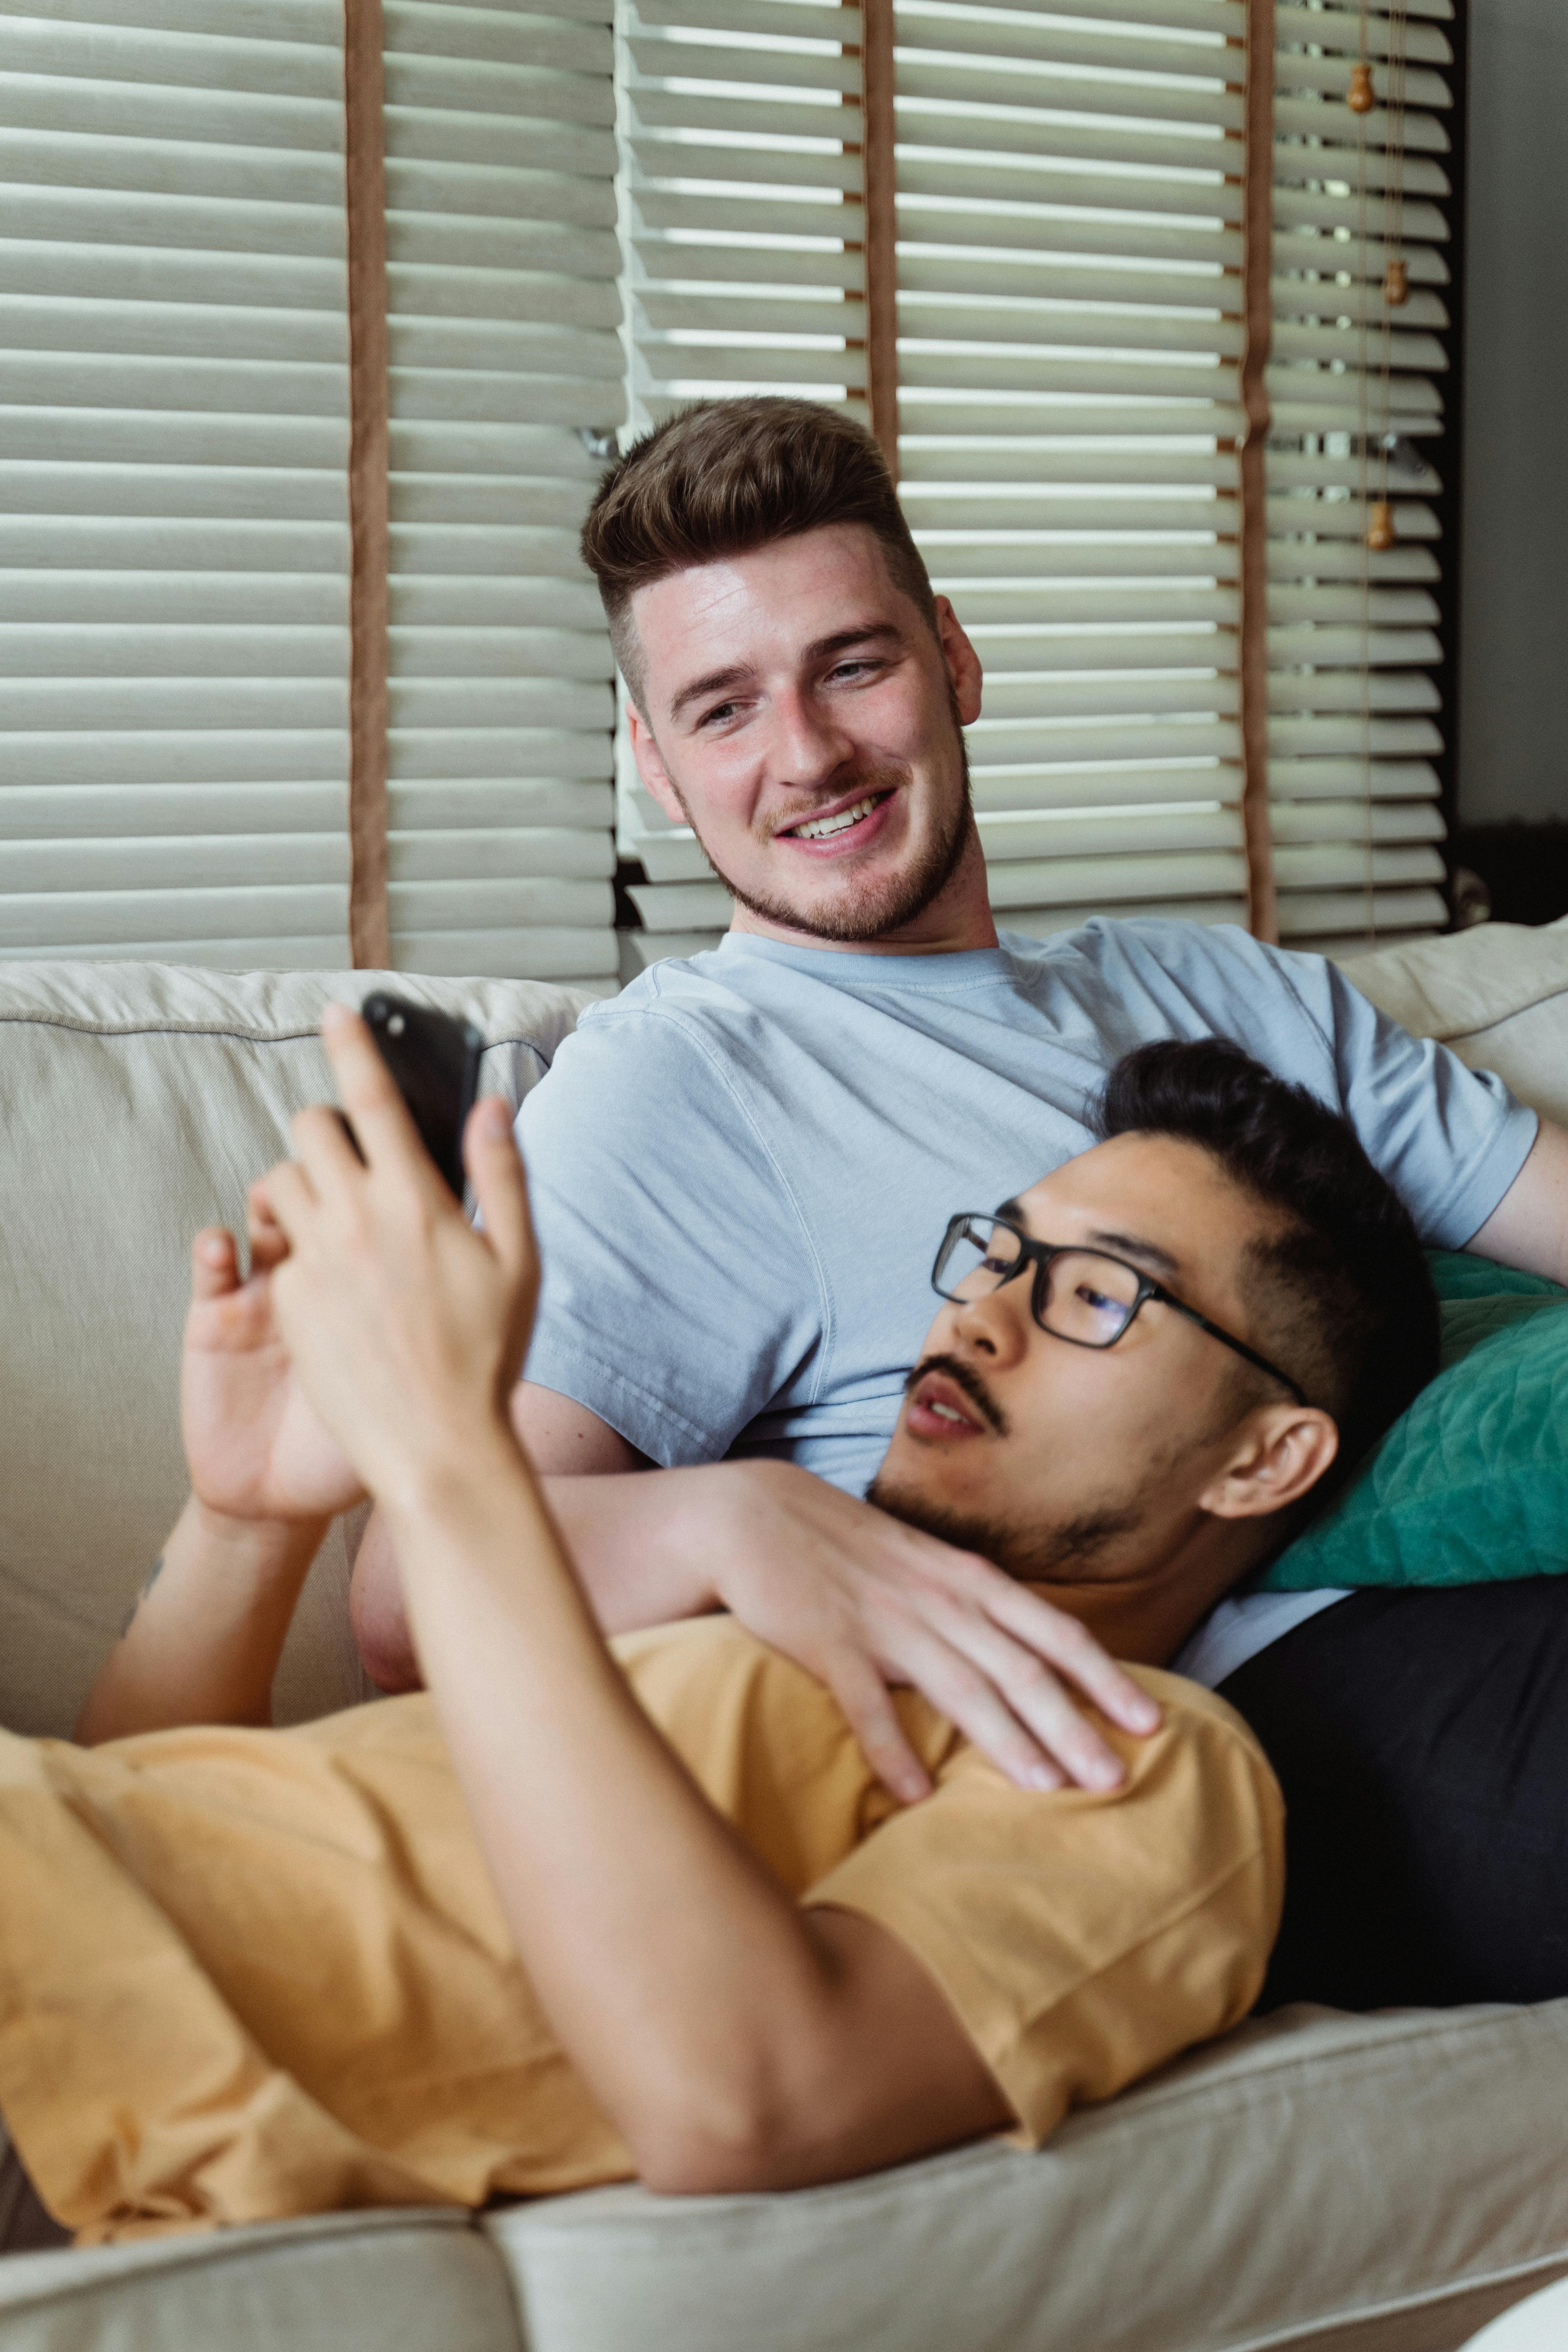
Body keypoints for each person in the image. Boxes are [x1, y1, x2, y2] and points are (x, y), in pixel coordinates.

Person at [342, 395, 1568, 1842]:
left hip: (1433, 1585)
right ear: (656, 768)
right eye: (723, 707)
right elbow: (413, 1594)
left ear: (954, 659)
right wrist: (738, 1524)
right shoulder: (676, 1085)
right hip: (1192, 1721)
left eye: (850, 667)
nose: (805, 756)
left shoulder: (1221, 990)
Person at [0, 1027, 1427, 2244]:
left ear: (1264, 1460)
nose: (979, 1320)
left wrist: (454, 1466)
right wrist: (247, 1522)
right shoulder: (743, 1613)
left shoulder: (1153, 1765)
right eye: (999, 1254)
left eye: (1099, 1294)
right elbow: (155, 1824)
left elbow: (750, 2105)